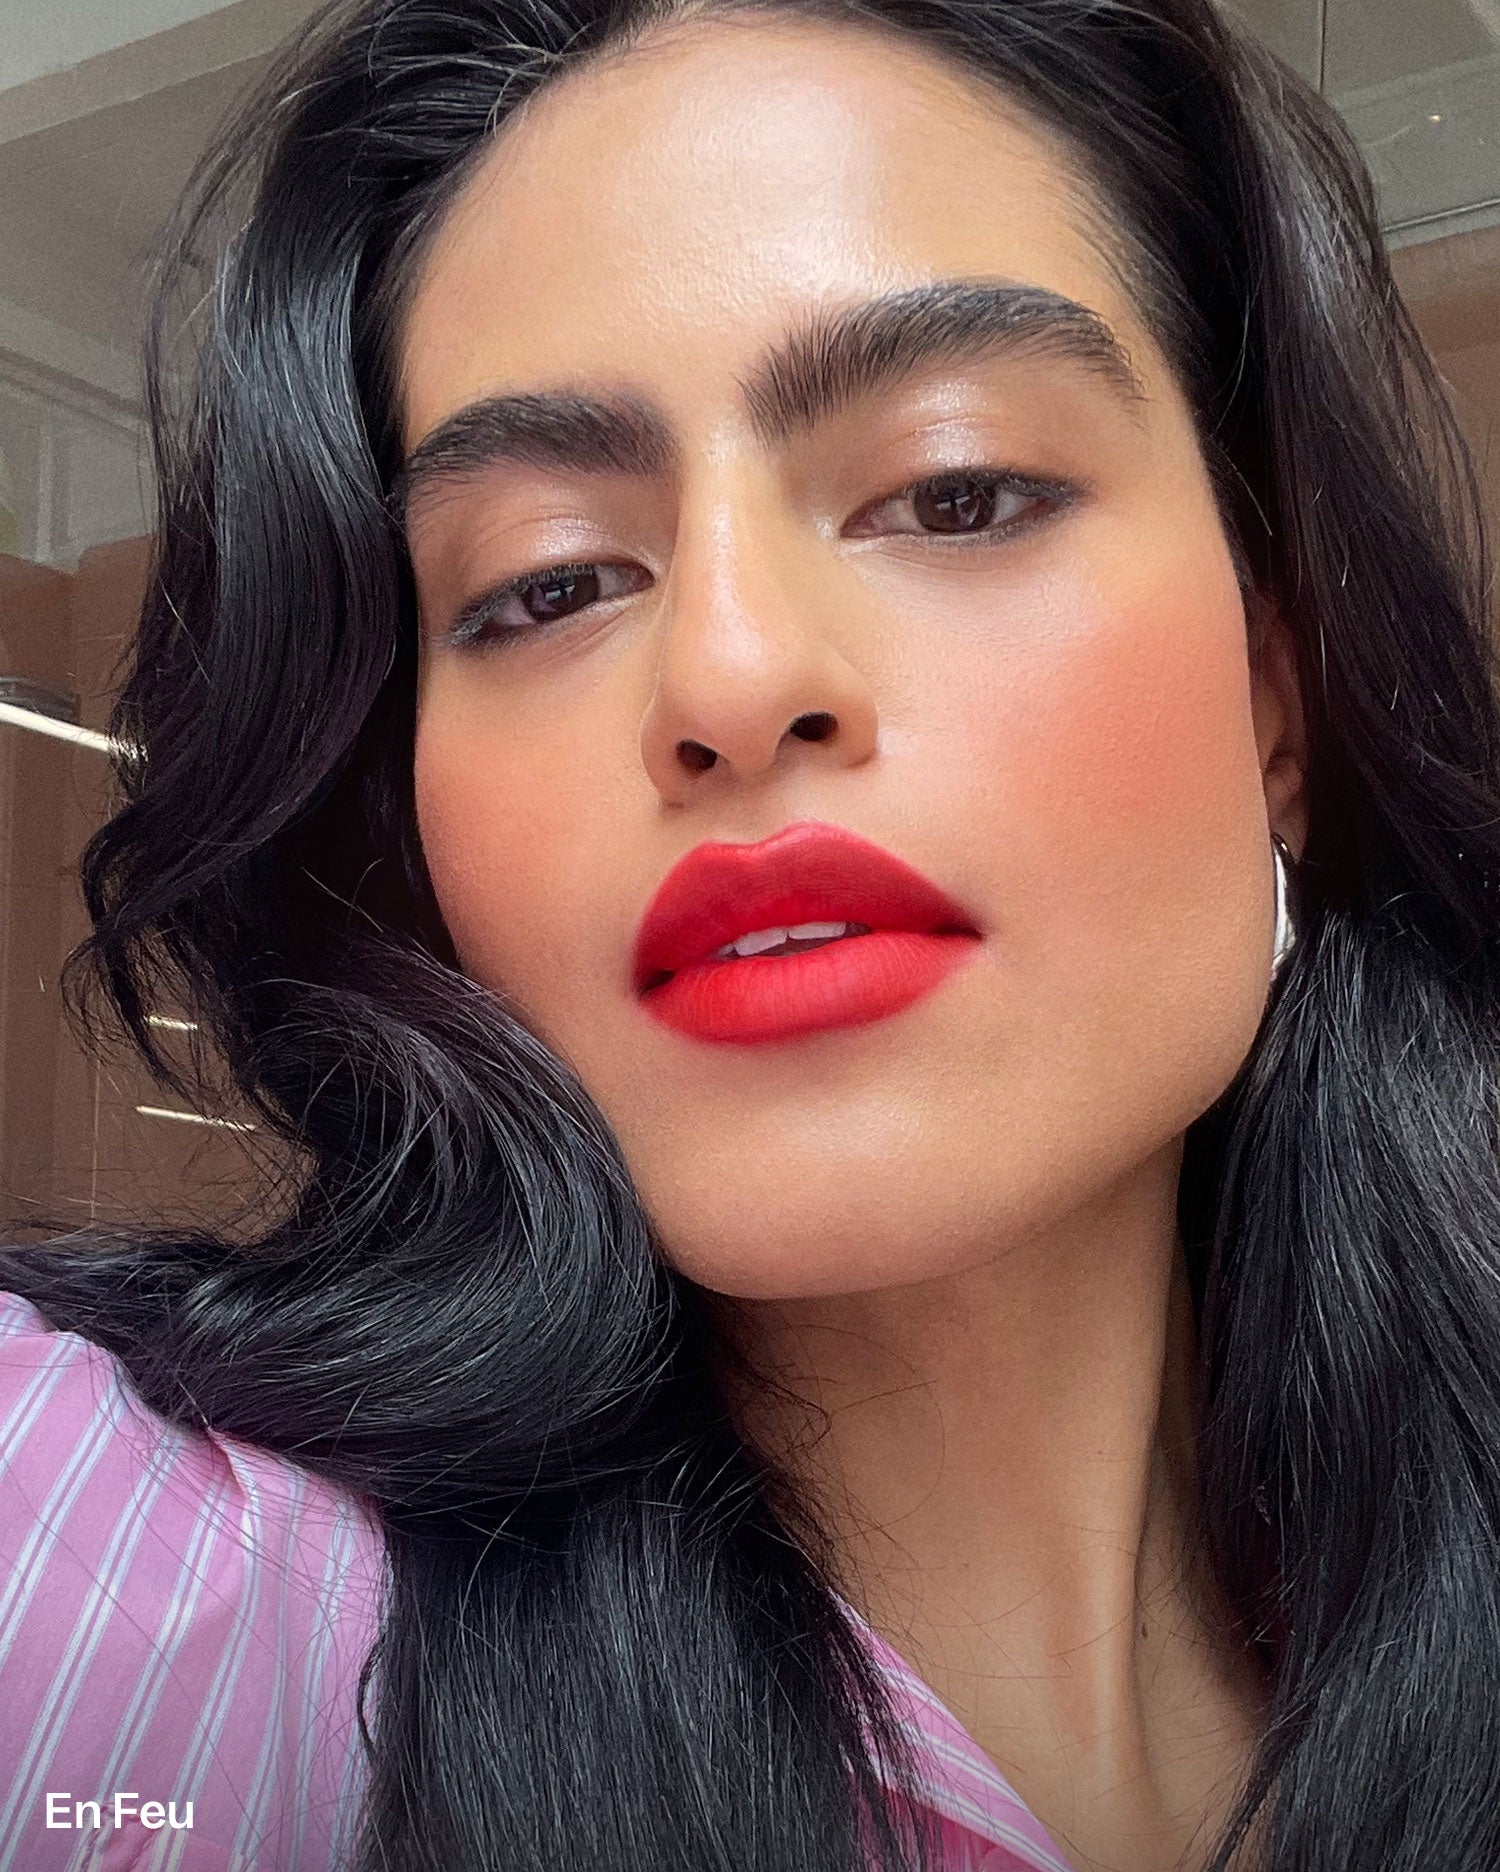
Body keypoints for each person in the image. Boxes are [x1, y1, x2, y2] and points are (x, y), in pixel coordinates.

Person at [2, 0, 1497, 1866]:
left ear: (1278, 700)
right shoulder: (107, 1568)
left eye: (956, 490)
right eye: (549, 584)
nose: (724, 675)